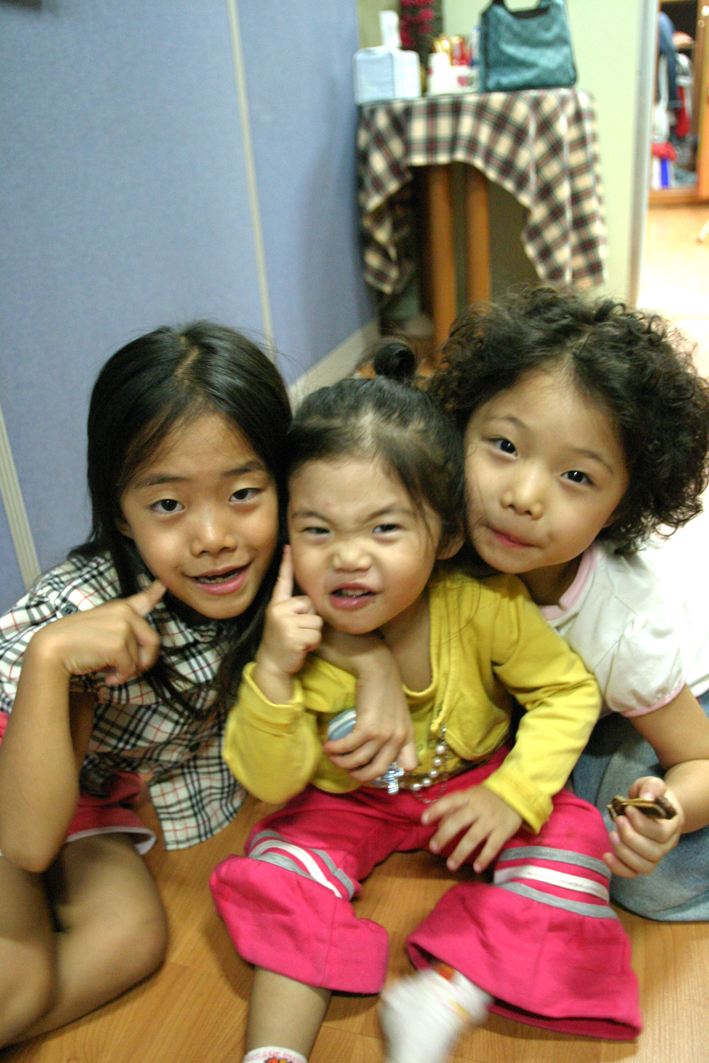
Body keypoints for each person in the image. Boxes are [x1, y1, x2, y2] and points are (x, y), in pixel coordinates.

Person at [210, 357, 641, 1063]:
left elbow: (565, 692)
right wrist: (275, 674)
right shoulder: (298, 635)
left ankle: (448, 991)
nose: (348, 558)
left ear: (443, 537)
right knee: (279, 868)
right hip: (348, 803)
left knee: (577, 837)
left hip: (475, 783)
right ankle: (274, 1052)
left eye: (384, 528)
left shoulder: (483, 604)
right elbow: (271, 780)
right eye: (317, 531)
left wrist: (512, 792)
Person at [430, 284, 709, 922]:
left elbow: (697, 758)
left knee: (637, 875)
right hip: (558, 709)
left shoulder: (623, 627)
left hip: (667, 701)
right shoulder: (438, 531)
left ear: (621, 507)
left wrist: (669, 812)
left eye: (576, 477)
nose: (524, 496)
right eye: (504, 446)